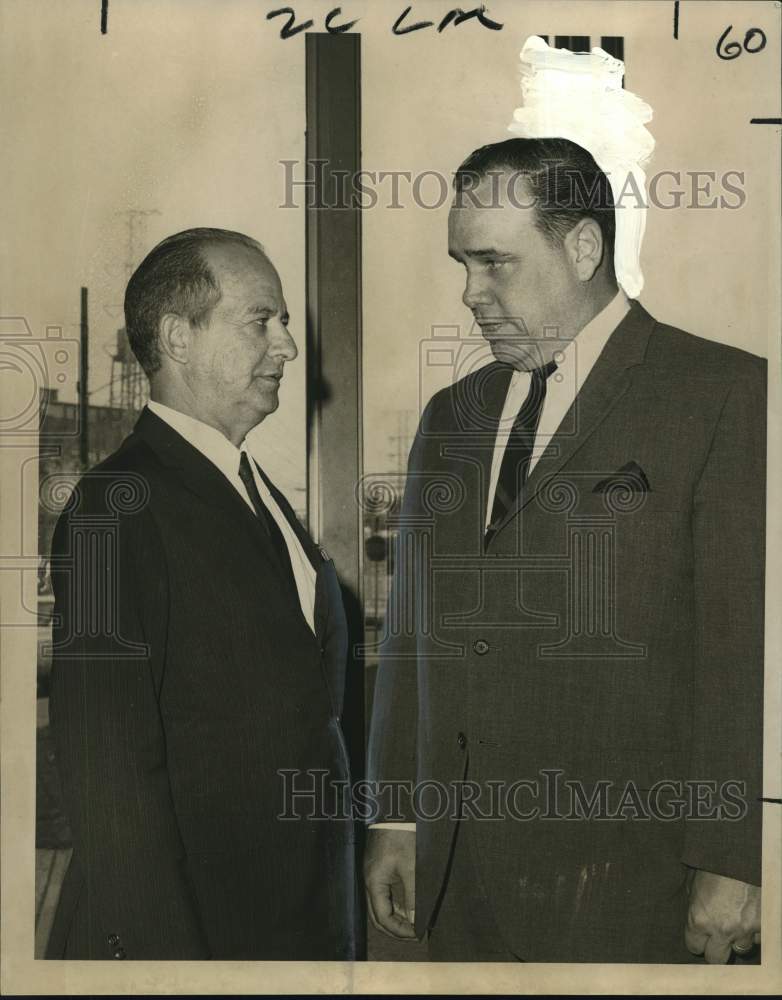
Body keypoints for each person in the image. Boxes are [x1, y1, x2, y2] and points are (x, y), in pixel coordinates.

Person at [365, 138, 765, 963]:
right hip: (458, 879)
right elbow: (414, 634)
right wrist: (397, 815)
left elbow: (745, 649)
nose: (469, 292)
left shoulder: (725, 393)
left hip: (631, 883)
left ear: (583, 246)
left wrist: (735, 857)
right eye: (460, 263)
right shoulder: (452, 415)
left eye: (493, 263)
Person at [47, 228, 357, 960]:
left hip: (284, 928)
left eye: (284, 323)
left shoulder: (252, 491)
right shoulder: (112, 506)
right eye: (262, 320)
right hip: (191, 941)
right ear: (177, 338)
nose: (286, 346)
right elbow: (105, 769)